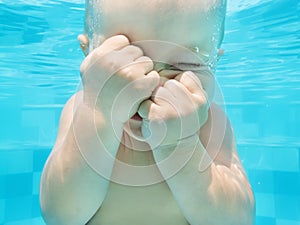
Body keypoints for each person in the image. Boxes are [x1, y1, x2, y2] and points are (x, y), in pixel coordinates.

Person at [40, 0, 255, 224]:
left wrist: (181, 146)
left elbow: (238, 219)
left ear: (213, 63)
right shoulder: (82, 109)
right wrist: (100, 112)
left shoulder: (211, 124)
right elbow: (59, 216)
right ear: (88, 52)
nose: (150, 82)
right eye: (124, 59)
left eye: (184, 66)